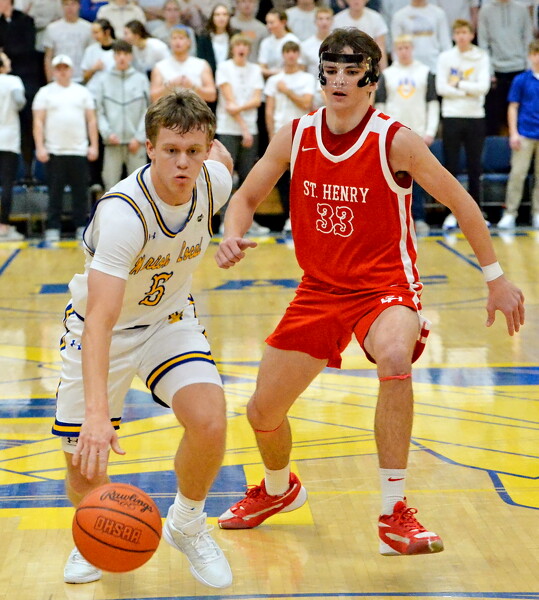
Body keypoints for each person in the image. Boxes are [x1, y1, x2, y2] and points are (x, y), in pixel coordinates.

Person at [214, 28, 525, 556]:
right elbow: (244, 197)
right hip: (319, 289)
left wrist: (496, 278)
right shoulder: (296, 135)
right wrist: (231, 233)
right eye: (330, 70)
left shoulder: (395, 140)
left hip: (385, 287)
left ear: (371, 80)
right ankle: (278, 489)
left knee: (395, 356)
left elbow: (462, 202)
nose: (338, 80)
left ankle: (393, 512)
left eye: (351, 71)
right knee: (261, 413)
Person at [52, 89, 234, 589]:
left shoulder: (213, 180)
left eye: (194, 151)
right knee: (85, 462)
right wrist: (96, 416)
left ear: (206, 149)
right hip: (102, 332)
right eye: (171, 150)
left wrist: (234, 225)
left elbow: (227, 163)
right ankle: (92, 532)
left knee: (210, 420)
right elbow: (100, 322)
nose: (183, 162)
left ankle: (188, 523)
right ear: (149, 148)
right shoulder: (123, 216)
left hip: (169, 321)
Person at [375, 34, 439, 235]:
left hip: (418, 134)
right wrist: (382, 132)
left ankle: (418, 218)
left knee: (418, 179)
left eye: (407, 48)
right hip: (393, 136)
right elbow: (380, 106)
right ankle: (393, 220)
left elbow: (432, 104)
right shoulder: (387, 75)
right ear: (395, 51)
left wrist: (430, 131)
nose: (404, 51)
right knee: (392, 178)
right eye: (400, 48)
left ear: (412, 49)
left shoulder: (425, 72)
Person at [32, 54, 98, 241]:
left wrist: (93, 145)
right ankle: (53, 227)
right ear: (53, 71)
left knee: (80, 192)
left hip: (79, 151)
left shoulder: (82, 92)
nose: (62, 71)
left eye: (65, 68)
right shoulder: (44, 92)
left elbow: (91, 120)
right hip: (55, 151)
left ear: (71, 70)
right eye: (58, 68)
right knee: (55, 192)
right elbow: (38, 121)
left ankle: (81, 226)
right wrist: (40, 147)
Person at [435, 18, 490, 231]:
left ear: (472, 35)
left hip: (475, 116)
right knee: (451, 167)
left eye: (465, 32)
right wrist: (469, 89)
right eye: (458, 33)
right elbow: (441, 88)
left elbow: (483, 87)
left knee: (475, 167)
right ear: (453, 36)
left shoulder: (481, 56)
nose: (461, 36)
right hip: (452, 115)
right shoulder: (445, 57)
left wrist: (457, 84)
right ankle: (452, 213)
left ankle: (477, 213)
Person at [215, 33, 269, 235]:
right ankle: (225, 221)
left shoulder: (254, 70)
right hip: (228, 129)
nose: (242, 48)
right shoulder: (224, 68)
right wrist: (244, 128)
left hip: (251, 130)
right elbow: (229, 103)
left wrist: (246, 127)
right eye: (238, 45)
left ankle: (248, 221)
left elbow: (256, 100)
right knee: (226, 177)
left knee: (249, 178)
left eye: (245, 45)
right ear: (233, 48)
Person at [265, 40, 315, 233]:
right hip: (280, 132)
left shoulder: (307, 78)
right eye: (287, 52)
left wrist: (287, 91)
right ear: (283, 55)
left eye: (294, 51)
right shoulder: (273, 80)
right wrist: (271, 134)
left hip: (303, 133)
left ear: (298, 54)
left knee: (302, 177)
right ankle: (289, 217)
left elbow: (306, 103)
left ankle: (303, 217)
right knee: (282, 178)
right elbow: (269, 110)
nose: (291, 55)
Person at [93, 40, 150, 191]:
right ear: (114, 56)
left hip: (136, 144)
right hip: (112, 143)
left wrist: (139, 138)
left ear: (131, 56)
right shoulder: (103, 80)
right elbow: (99, 111)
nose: (122, 57)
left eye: (125, 54)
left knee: (140, 188)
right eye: (118, 54)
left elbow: (147, 110)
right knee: (110, 187)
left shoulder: (141, 80)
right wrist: (107, 134)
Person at [497, 40, 539, 230]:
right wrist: (513, 133)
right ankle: (510, 213)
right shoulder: (521, 80)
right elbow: (513, 107)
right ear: (529, 56)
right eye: (535, 54)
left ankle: (537, 213)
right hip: (525, 133)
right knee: (517, 174)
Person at [477, 0, 533, 136]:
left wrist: (528, 69)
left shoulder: (522, 9)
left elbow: (528, 39)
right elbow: (483, 43)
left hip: (519, 69)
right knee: (494, 119)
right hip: (496, 72)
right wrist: (489, 72)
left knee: (520, 116)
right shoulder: (485, 11)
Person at [150, 25, 216, 102]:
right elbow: (153, 97)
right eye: (174, 38)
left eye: (181, 38)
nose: (177, 42)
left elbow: (212, 95)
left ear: (189, 42)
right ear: (170, 42)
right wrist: (170, 85)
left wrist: (192, 86)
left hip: (194, 108)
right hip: (168, 108)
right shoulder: (159, 66)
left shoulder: (202, 64)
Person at [0, 50, 25, 241]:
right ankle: (3, 227)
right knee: (7, 184)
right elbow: (20, 102)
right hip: (8, 140)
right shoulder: (13, 81)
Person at [391, 0, 451, 73]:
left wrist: (448, 67)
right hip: (410, 68)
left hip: (434, 66)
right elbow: (396, 46)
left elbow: (446, 44)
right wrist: (397, 69)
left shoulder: (439, 13)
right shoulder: (399, 16)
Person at [43, 0, 93, 84]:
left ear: (79, 6)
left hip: (81, 78)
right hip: (58, 78)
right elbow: (48, 57)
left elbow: (91, 56)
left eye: (73, 4)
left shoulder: (88, 28)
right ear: (62, 6)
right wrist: (50, 80)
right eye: (66, 4)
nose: (70, 8)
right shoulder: (52, 28)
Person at [332, 0, 388, 69]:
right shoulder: (337, 20)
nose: (356, 1)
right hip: (344, 64)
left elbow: (380, 47)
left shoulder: (376, 18)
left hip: (369, 64)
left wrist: (384, 71)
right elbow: (335, 48)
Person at [258, 9, 300, 79]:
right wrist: (275, 74)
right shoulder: (265, 42)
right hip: (270, 79)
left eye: (271, 23)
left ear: (283, 22)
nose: (268, 26)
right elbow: (262, 67)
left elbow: (299, 66)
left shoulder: (293, 40)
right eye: (267, 23)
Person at [81, 18, 116, 87]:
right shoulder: (90, 50)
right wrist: (93, 69)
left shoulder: (120, 49)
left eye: (96, 32)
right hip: (94, 89)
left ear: (107, 32)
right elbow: (85, 78)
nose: (93, 36)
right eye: (92, 33)